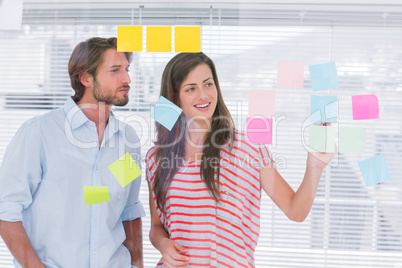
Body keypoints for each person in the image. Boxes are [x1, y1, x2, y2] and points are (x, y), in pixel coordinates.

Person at [146, 52, 336, 268]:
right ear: (174, 97)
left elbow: (295, 211)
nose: (203, 95)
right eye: (191, 88)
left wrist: (315, 167)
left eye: (208, 84)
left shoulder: (249, 148)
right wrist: (163, 246)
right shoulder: (157, 158)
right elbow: (156, 226)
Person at [0, 37, 145, 268]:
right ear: (86, 78)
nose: (127, 79)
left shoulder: (127, 142)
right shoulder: (40, 134)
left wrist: (137, 263)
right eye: (115, 70)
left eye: (127, 70)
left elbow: (128, 209)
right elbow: (6, 211)